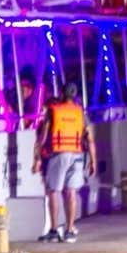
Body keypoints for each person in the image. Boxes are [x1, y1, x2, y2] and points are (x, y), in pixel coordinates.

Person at [31, 82, 96, 243]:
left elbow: (43, 137)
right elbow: (90, 139)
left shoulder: (54, 111)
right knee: (71, 192)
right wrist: (93, 161)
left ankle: (53, 230)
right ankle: (69, 230)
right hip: (77, 155)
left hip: (58, 154)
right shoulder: (80, 113)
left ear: (61, 93)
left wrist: (37, 158)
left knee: (53, 191)